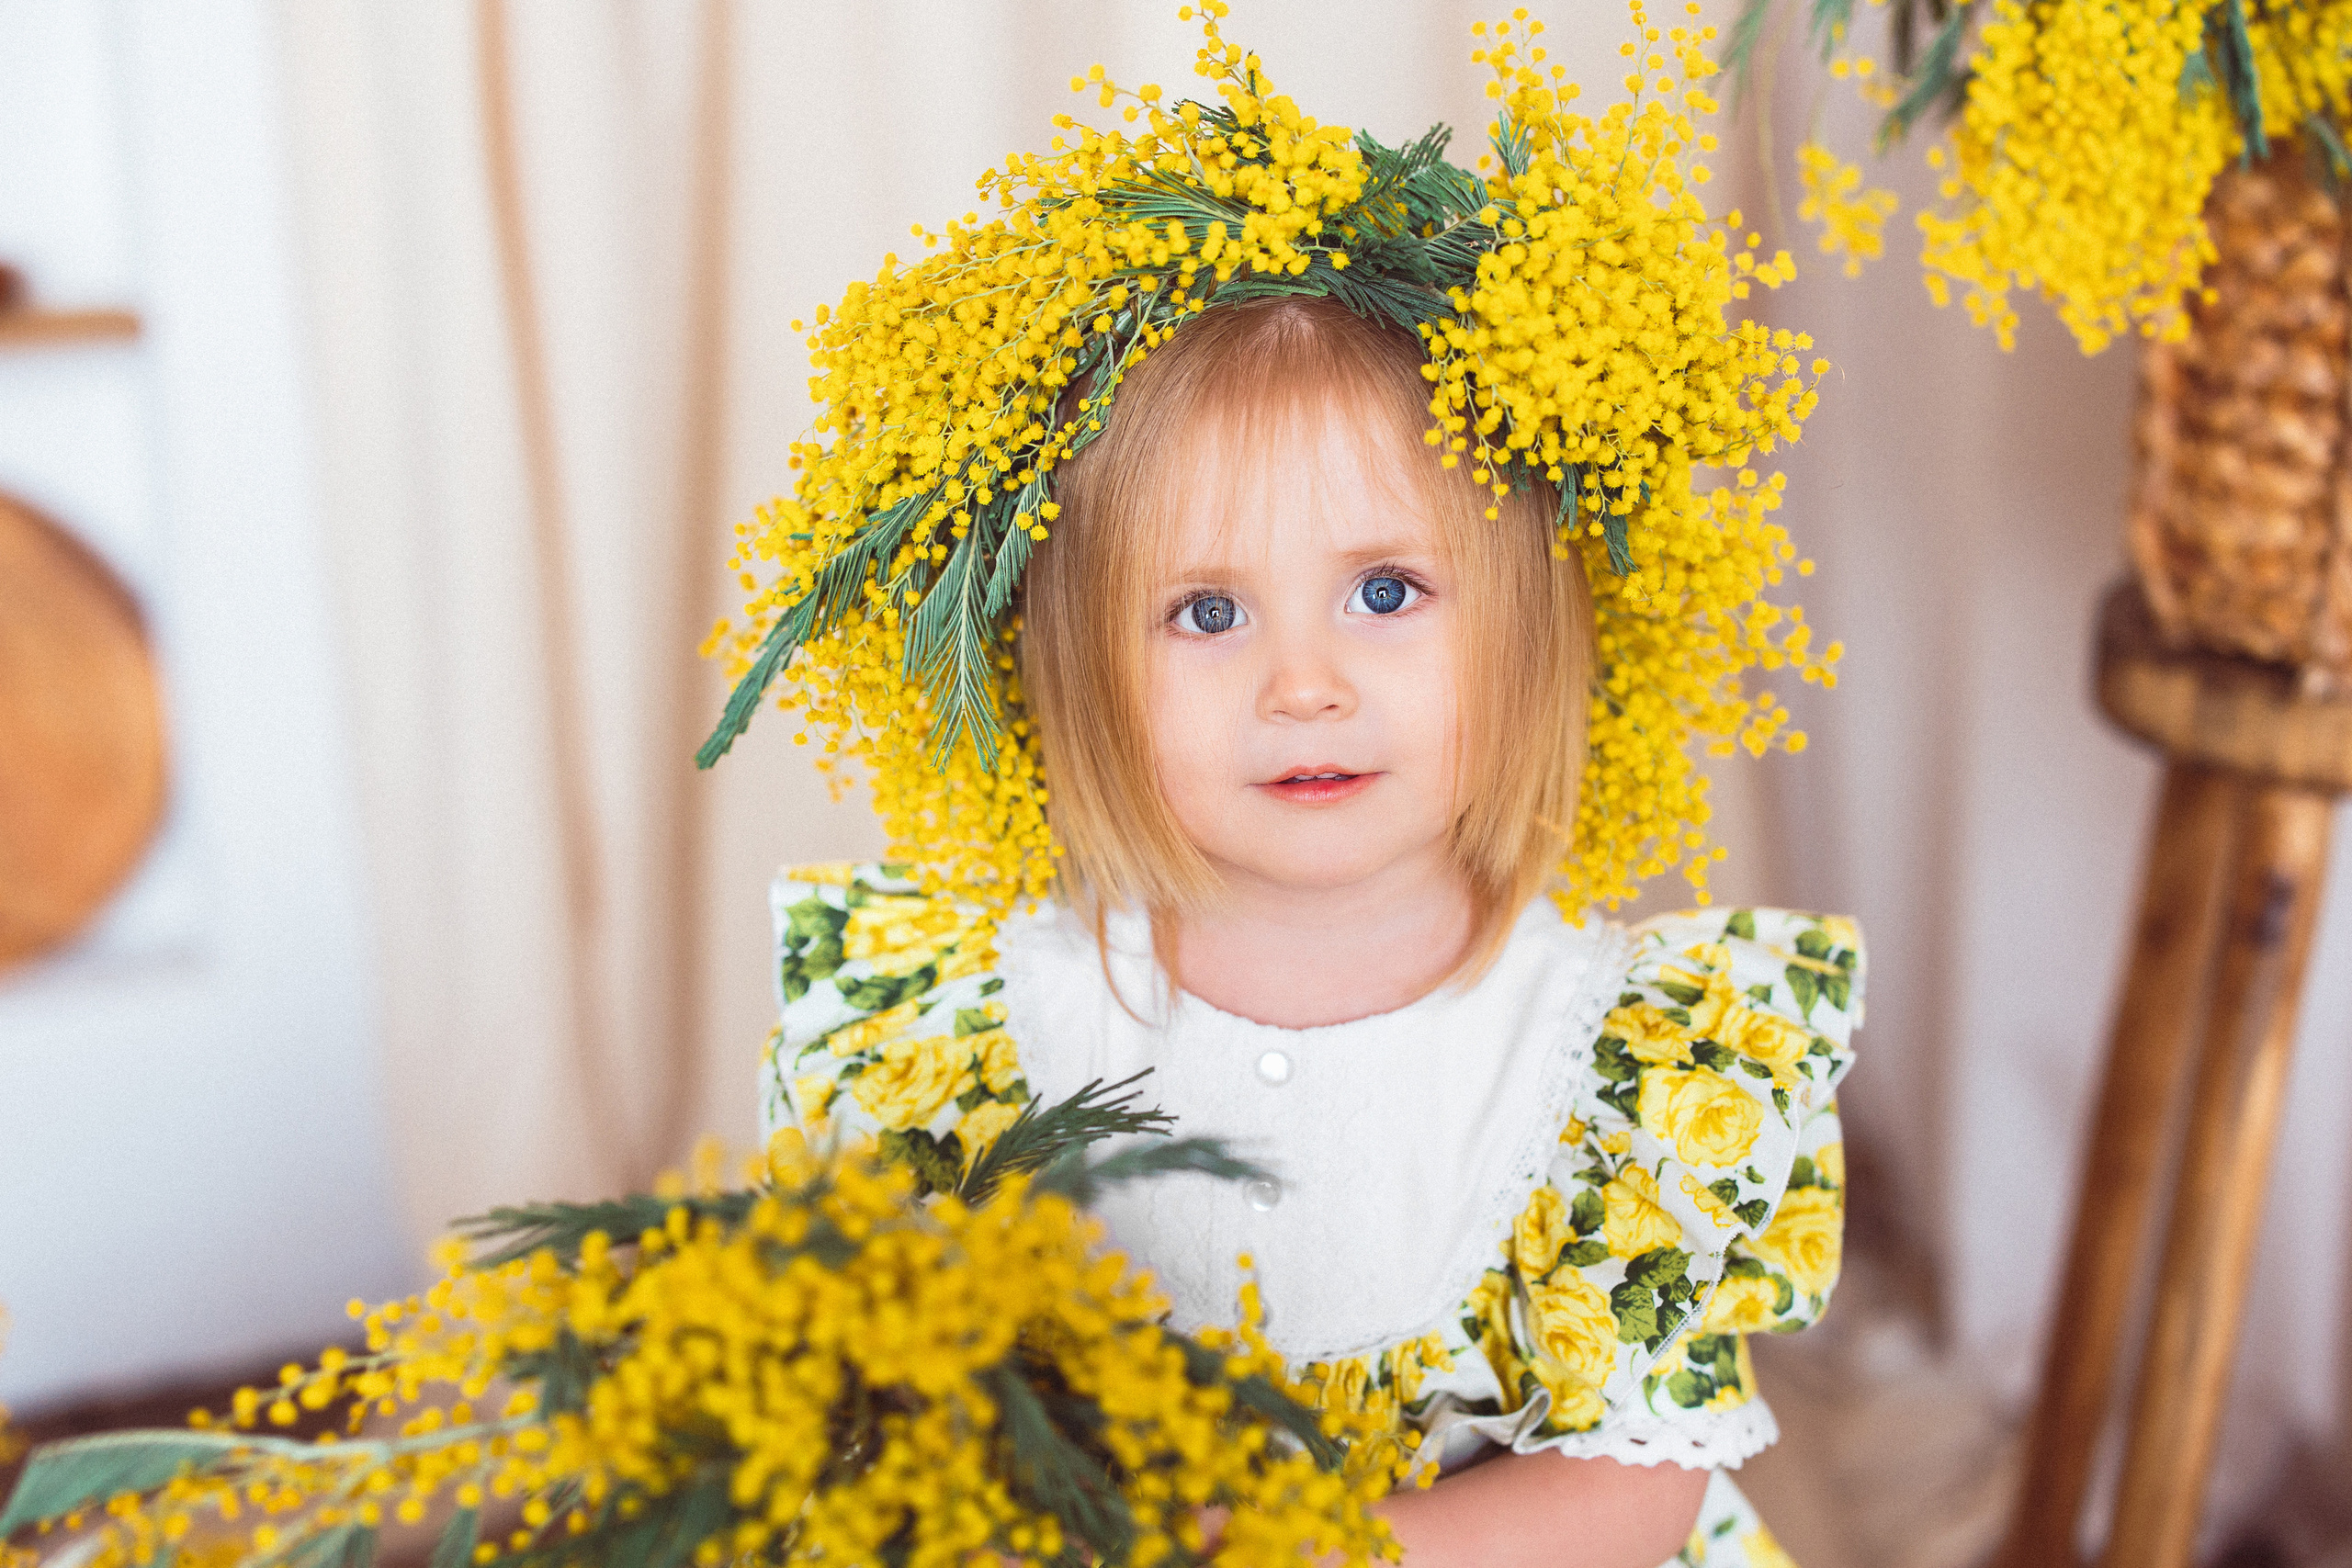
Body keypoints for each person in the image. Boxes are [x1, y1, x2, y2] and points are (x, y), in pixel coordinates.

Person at [756, 297, 1859, 1568]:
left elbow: (1634, 1484)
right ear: (1080, 665)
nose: (1303, 686)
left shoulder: (1612, 1059)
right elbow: (893, 1426)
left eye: (1385, 592)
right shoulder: (975, 1026)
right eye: (1208, 613)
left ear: (1524, 625)